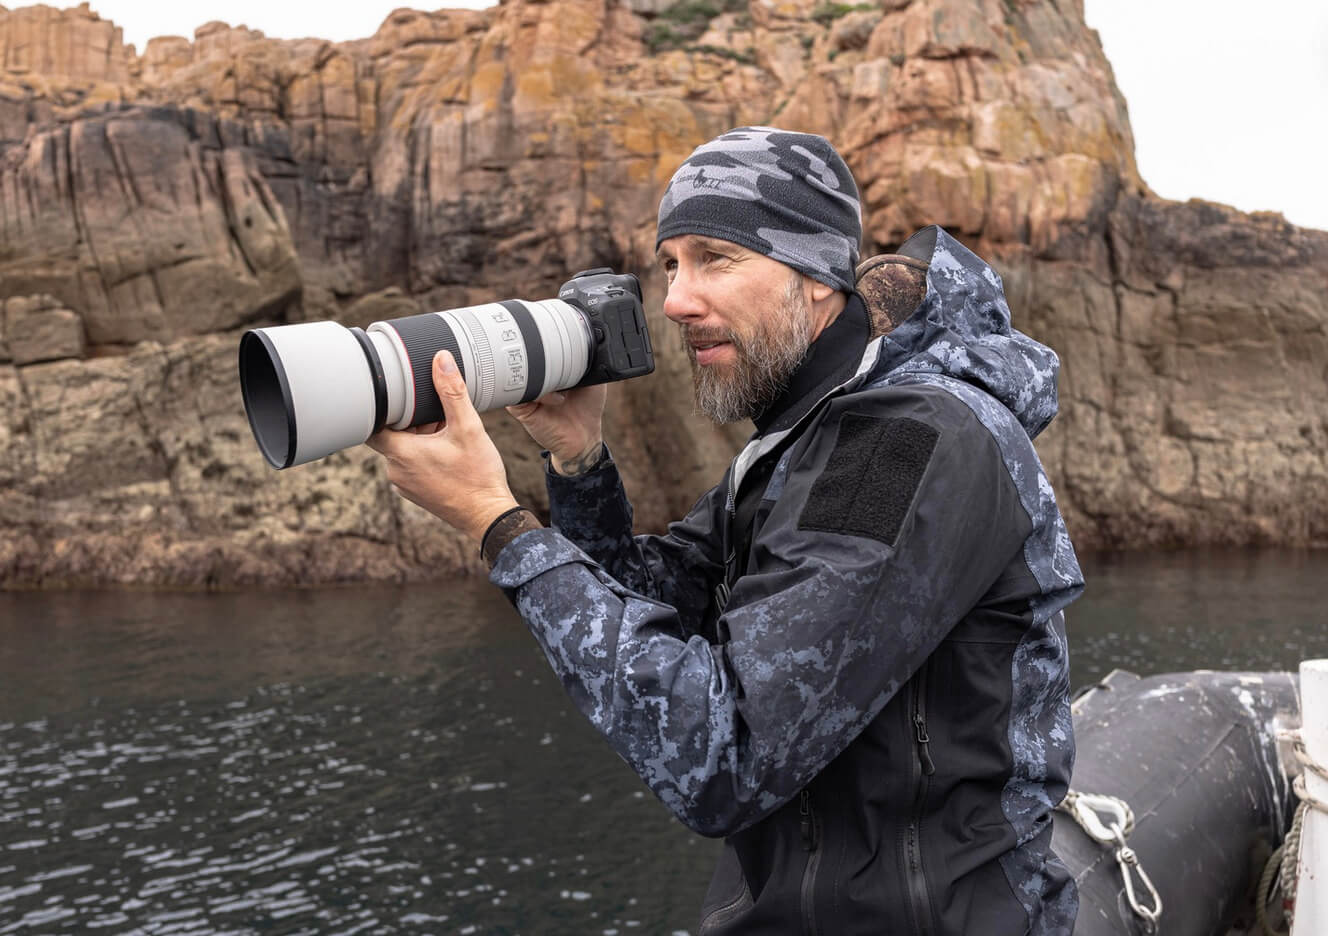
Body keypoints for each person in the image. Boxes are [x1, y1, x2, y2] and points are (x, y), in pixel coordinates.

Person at [367, 126, 1083, 936]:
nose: (674, 300)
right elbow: (661, 599)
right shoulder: (805, 435)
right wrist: (578, 464)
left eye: (716, 257)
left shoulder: (905, 444)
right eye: (671, 262)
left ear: (814, 279)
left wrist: (497, 523)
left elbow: (726, 754)